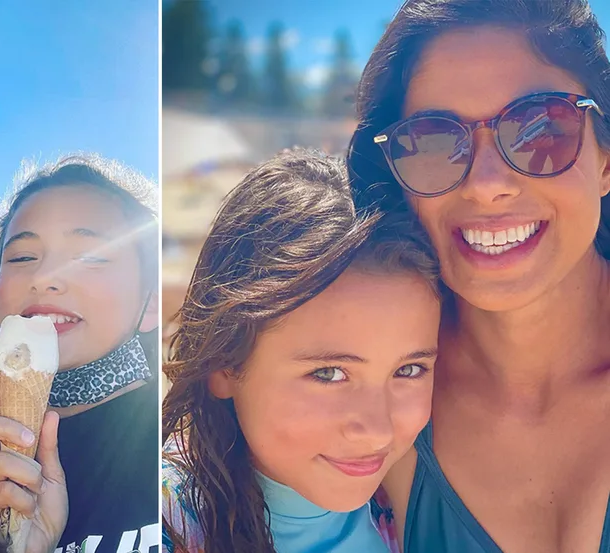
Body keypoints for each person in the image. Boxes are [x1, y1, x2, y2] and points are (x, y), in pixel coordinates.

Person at [346, 1, 610, 551]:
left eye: (541, 128)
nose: (487, 184)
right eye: (434, 143)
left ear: (605, 161)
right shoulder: (374, 406)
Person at [161, 149, 442, 553]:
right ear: (224, 364)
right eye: (329, 373)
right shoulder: (161, 525)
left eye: (410, 370)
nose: (378, 430)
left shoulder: (420, 498)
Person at [0, 154, 160, 553]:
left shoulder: (187, 452)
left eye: (90, 257)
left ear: (153, 300)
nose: (45, 278)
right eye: (21, 258)